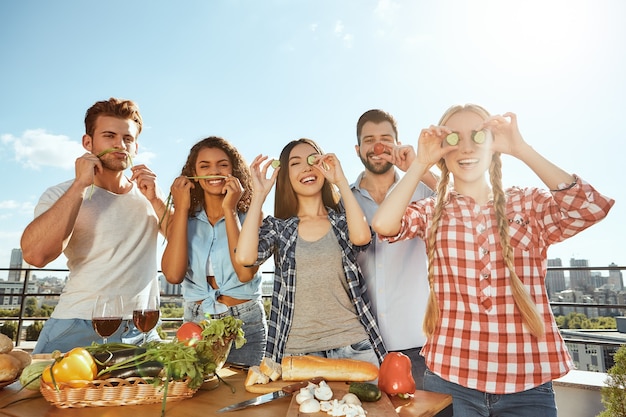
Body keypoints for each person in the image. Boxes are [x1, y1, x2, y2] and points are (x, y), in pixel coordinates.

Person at [372, 104, 614, 416]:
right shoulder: (434, 211)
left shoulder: (527, 203)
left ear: (492, 144)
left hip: (528, 385)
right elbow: (384, 225)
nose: (467, 147)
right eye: (454, 139)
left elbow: (589, 208)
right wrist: (419, 164)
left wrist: (521, 148)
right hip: (449, 379)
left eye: (477, 135)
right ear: (443, 152)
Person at [21, 97, 167, 354]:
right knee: (40, 394)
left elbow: (183, 242)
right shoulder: (61, 194)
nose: (119, 144)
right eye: (109, 135)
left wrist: (156, 200)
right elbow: (36, 255)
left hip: (142, 329)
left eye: (127, 138)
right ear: (88, 143)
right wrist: (80, 185)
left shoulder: (149, 196)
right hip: (78, 325)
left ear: (136, 147)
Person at [235, 138, 387, 367]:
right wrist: (258, 195)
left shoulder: (342, 222)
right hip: (299, 353)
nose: (307, 167)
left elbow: (362, 237)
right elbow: (246, 257)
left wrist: (340, 181)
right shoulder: (279, 228)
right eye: (295, 163)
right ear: (286, 176)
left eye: (313, 160)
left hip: (354, 347)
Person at [161, 136, 267, 367]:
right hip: (196, 324)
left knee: (245, 398)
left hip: (245, 325)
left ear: (234, 171)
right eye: (204, 166)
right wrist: (181, 207)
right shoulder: (184, 219)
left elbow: (245, 273)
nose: (214, 172)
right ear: (193, 174)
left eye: (223, 165)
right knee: (198, 399)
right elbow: (172, 275)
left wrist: (230, 209)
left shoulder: (252, 217)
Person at [351, 109, 437, 389]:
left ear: (398, 144)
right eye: (370, 140)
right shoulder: (343, 203)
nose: (378, 147)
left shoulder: (423, 192)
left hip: (419, 344)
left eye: (386, 138)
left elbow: (465, 203)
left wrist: (421, 168)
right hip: (361, 347)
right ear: (358, 149)